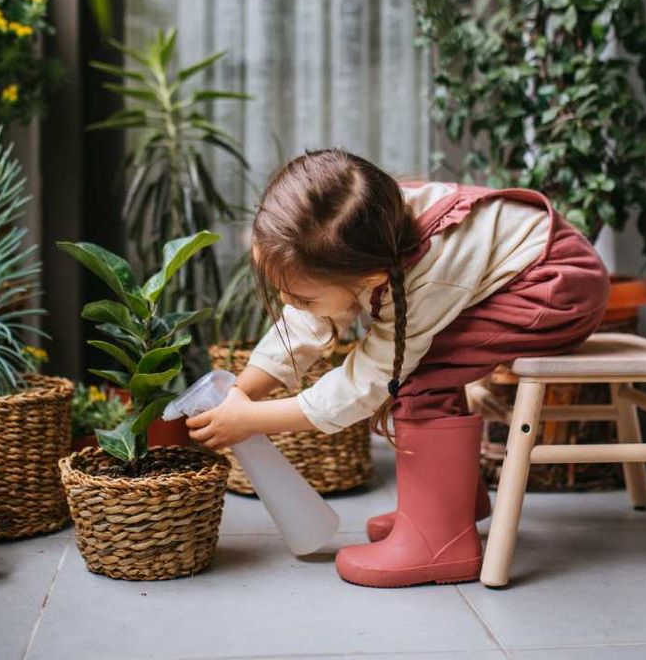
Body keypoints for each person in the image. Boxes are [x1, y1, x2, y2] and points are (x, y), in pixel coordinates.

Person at [187, 149, 610, 587]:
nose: (292, 305)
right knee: (420, 361)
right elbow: (306, 322)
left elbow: (367, 383)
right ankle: (449, 506)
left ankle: (441, 543)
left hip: (554, 290)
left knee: (416, 375)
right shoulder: (363, 229)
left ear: (368, 279)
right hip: (523, 271)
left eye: (303, 297)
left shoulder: (426, 275)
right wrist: (248, 388)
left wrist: (253, 418)